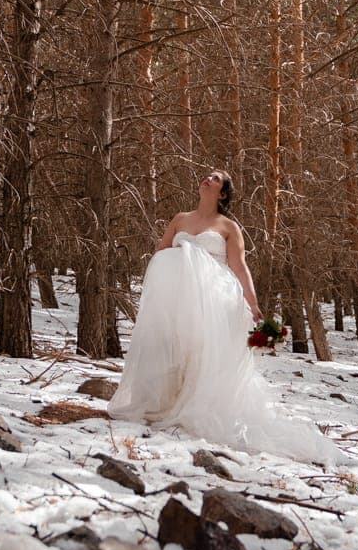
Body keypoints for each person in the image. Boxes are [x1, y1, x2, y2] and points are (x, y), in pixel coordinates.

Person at [109, 170, 336, 463]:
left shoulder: (228, 226)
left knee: (203, 352)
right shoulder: (180, 218)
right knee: (175, 348)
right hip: (178, 300)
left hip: (212, 299)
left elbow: (239, 267)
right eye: (206, 176)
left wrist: (253, 305)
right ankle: (165, 402)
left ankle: (194, 407)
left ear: (223, 193)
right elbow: (161, 251)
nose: (207, 178)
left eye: (215, 178)